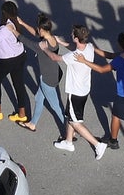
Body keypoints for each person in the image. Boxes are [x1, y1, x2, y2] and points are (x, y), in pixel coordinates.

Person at [76, 33, 124, 151]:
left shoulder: (119, 59)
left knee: (116, 116)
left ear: (118, 44)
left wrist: (84, 61)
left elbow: (101, 70)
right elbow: (110, 55)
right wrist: (93, 48)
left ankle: (113, 141)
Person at [41, 25, 107, 160]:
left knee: (76, 122)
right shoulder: (88, 46)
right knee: (70, 117)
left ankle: (97, 144)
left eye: (72, 35)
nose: (70, 36)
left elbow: (54, 57)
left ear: (76, 38)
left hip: (75, 92)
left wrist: (45, 48)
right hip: (84, 90)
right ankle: (68, 142)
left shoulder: (73, 56)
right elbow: (74, 47)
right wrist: (62, 42)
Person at [8, 13, 65, 133]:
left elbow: (26, 41)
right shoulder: (52, 38)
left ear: (43, 30)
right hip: (55, 73)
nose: (37, 31)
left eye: (39, 29)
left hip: (47, 78)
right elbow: (35, 33)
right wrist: (22, 23)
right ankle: (32, 124)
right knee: (39, 97)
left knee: (56, 106)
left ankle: (69, 130)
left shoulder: (42, 45)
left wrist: (13, 30)